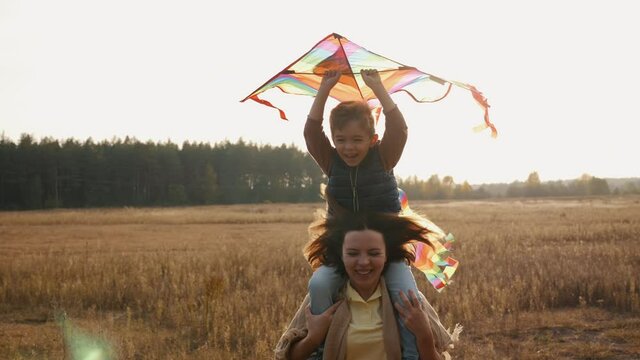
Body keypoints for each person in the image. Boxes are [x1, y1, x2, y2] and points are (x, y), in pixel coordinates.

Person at [304, 69, 422, 358]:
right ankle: (319, 351)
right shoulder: (331, 162)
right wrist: (324, 88)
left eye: (357, 140)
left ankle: (411, 355)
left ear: (372, 139)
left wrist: (378, 87)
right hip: (342, 251)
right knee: (319, 283)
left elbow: (400, 128)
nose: (348, 147)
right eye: (340, 139)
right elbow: (311, 131)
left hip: (387, 250)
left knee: (407, 295)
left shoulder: (384, 158)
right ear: (333, 140)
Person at [274, 211, 460, 360]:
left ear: (387, 256)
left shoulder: (407, 301)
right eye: (353, 253)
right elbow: (287, 357)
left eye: (374, 253)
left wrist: (424, 335)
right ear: (341, 256)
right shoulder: (325, 297)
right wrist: (313, 338)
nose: (363, 262)